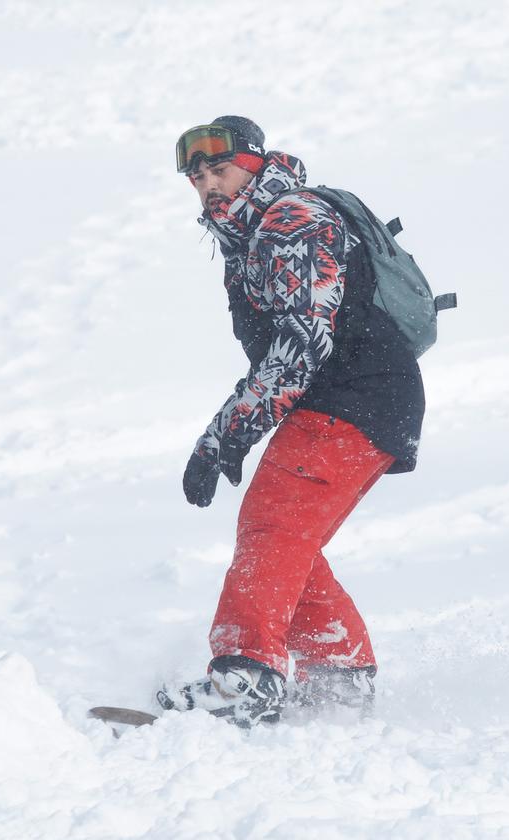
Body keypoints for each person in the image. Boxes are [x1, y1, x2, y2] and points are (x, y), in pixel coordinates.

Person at [158, 116, 427, 727]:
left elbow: (301, 342)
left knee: (272, 527)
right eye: (197, 179)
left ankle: (245, 678)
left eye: (219, 171)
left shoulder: (291, 221)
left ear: (253, 165)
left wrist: (227, 431)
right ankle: (337, 672)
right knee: (284, 533)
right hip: (360, 399)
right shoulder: (251, 235)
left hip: (352, 396)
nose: (208, 188)